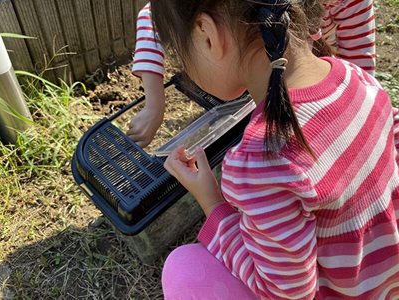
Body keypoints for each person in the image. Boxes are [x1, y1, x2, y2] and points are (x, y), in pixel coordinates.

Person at [146, 0, 399, 299]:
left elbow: (286, 293)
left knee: (182, 269)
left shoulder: (263, 160)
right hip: (384, 283)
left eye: (179, 54)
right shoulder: (357, 77)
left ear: (206, 35)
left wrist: (213, 204)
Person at [127, 0, 376, 149]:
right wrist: (154, 105)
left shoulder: (351, 4)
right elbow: (156, 14)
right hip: (260, 74)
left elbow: (359, 69)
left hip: (307, 81)